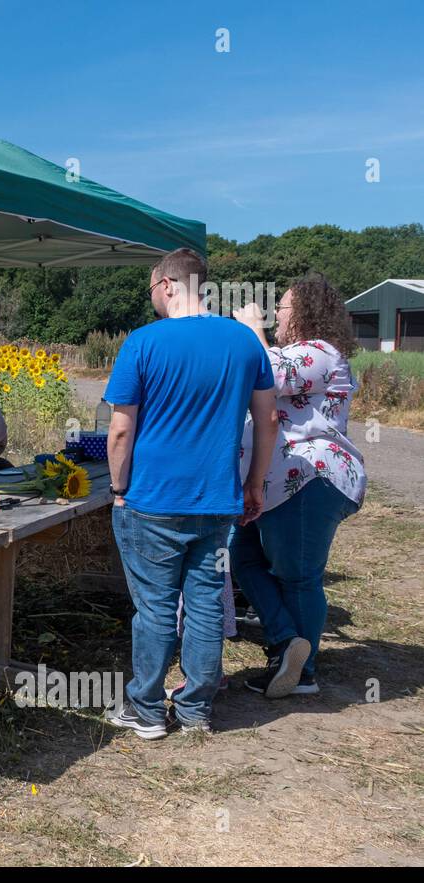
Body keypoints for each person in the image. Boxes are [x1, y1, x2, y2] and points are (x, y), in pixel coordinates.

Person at [103, 248, 278, 739]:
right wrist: (255, 483)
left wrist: (118, 489)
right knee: (204, 603)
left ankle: (148, 710)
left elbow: (120, 432)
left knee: (156, 607)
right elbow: (267, 419)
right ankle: (197, 709)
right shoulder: (244, 342)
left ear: (165, 285)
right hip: (217, 501)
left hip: (151, 499)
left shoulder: (142, 342)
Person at [230, 275, 366, 698]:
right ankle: (287, 643)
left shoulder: (322, 353)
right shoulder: (299, 352)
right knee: (243, 557)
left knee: (298, 575)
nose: (275, 317)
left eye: (282, 309)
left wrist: (252, 327)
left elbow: (267, 374)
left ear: (304, 314)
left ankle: (302, 673)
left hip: (311, 478)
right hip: (277, 484)